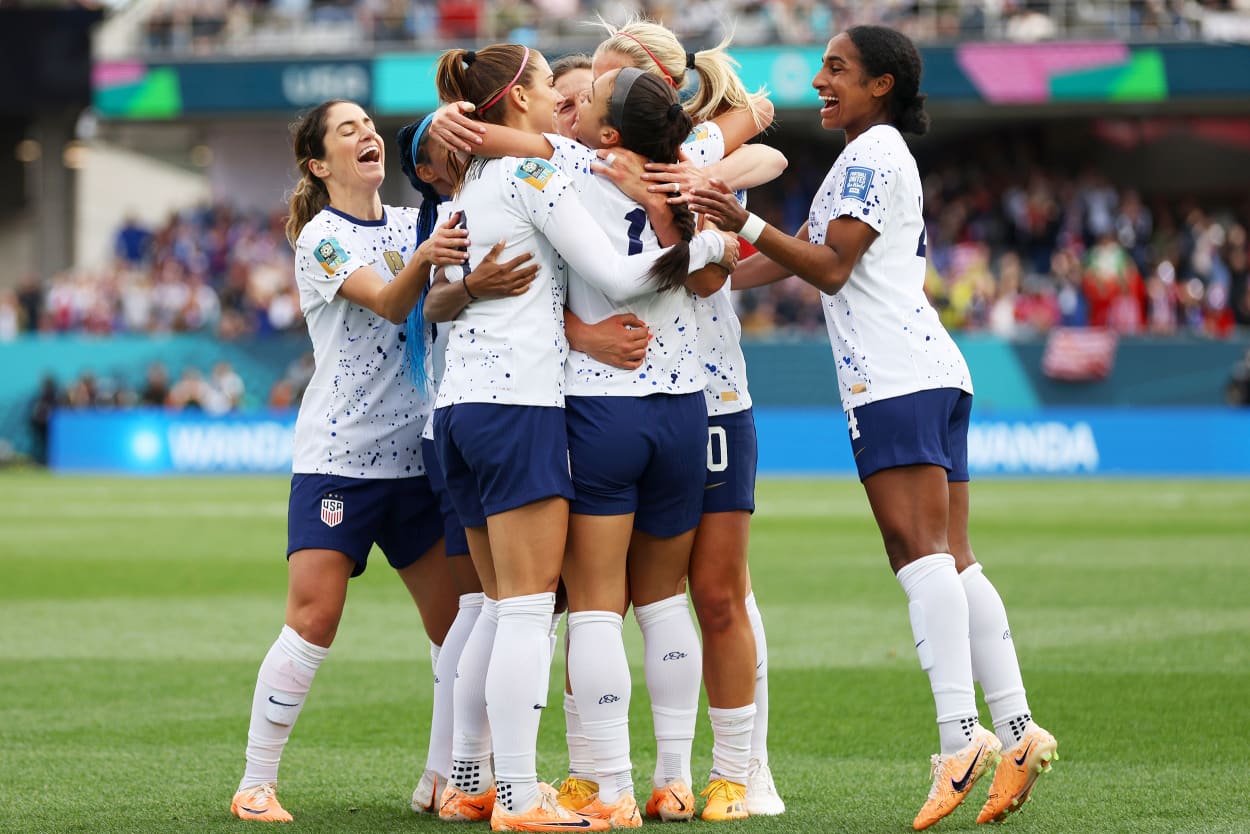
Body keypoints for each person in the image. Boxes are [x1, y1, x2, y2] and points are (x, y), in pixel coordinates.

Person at [689, 26, 1059, 831]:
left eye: (837, 69)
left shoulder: (870, 155)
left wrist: (737, 225)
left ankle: (962, 740)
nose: (821, 80)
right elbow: (797, 258)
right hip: (928, 370)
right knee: (954, 561)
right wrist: (711, 275)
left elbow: (827, 267)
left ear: (882, 84)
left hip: (894, 377)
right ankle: (1019, 730)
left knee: (918, 555)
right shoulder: (872, 153)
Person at [428, 44, 735, 833]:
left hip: (581, 405)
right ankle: (670, 778)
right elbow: (742, 175)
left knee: (567, 608)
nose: (570, 103)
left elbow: (446, 284)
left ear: (604, 131)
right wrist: (707, 235)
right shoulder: (685, 169)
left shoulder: (561, 164)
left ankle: (597, 787)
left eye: (588, 97)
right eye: (557, 92)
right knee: (661, 603)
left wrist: (451, 119)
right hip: (681, 400)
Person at [228, 99, 525, 823]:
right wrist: (428, 263)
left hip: (420, 458)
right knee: (314, 617)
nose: (366, 135)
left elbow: (439, 302)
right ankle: (255, 782)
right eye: (346, 130)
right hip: (341, 458)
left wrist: (467, 280)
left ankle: (443, 777)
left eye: (368, 125)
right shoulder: (322, 239)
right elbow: (394, 304)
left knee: (454, 624)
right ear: (318, 163)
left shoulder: (409, 220)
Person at [593, 17, 787, 821]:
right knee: (646, 596)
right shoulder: (592, 157)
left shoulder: (692, 151)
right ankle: (659, 772)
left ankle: (743, 771)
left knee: (720, 593)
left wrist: (711, 177)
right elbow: (759, 130)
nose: (587, 91)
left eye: (603, 77)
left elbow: (764, 144)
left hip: (710, 391)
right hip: (627, 395)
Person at [393, 113, 540, 817]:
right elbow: (430, 306)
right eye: (440, 145)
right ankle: (462, 774)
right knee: (487, 606)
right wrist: (476, 283)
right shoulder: (450, 219)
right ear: (427, 170)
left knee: (486, 607)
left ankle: (456, 775)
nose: (460, 145)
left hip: (483, 414)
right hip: (480, 416)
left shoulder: (489, 196)